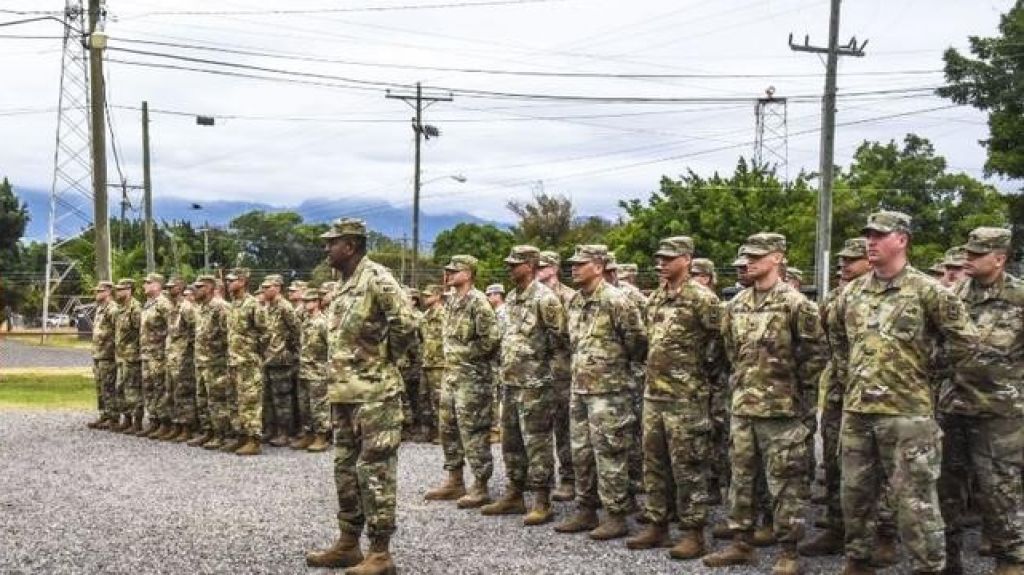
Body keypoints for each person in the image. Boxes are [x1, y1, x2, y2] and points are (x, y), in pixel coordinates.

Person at [829, 211, 979, 574]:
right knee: (855, 494)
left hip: (907, 412)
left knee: (915, 502)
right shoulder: (853, 291)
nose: (871, 242)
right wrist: (852, 374)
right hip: (859, 410)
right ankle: (858, 560)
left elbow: (966, 341)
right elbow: (835, 335)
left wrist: (926, 370)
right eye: (869, 235)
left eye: (880, 235)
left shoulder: (927, 290)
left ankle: (928, 567)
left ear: (902, 240)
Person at [704, 233, 826, 575]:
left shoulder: (797, 304)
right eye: (746, 256)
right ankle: (741, 543)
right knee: (741, 478)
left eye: (757, 256)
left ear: (777, 258)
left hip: (782, 411)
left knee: (786, 483)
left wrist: (796, 397)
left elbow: (816, 356)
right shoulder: (736, 304)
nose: (749, 261)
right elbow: (731, 353)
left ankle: (788, 552)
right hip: (743, 406)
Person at [306, 218, 417, 574]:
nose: (327, 248)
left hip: (375, 395)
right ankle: (348, 543)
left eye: (332, 243)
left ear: (350, 246)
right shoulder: (343, 284)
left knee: (375, 472)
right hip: (344, 393)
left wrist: (387, 360)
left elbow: (407, 324)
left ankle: (380, 552)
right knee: (345, 470)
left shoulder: (378, 278)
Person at [625, 236, 722, 560]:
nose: (661, 263)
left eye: (668, 258)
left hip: (686, 398)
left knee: (688, 466)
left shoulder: (702, 299)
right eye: (659, 258)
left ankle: (693, 532)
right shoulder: (656, 298)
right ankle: (657, 524)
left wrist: (701, 376)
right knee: (654, 464)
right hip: (655, 395)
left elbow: (720, 343)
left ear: (687, 259)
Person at [938, 227, 1023, 574]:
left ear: (999, 258)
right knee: (947, 491)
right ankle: (949, 561)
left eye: (976, 255)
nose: (967, 259)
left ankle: (1010, 560)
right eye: (967, 253)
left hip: (999, 414)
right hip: (954, 408)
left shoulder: (1019, 298)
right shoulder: (952, 295)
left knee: (1000, 491)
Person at [554, 244, 647, 541]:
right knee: (581, 452)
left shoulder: (617, 301)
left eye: (581, 263)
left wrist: (614, 370)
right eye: (573, 263)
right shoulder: (576, 302)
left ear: (598, 266)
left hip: (610, 391)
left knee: (610, 452)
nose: (574, 268)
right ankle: (586, 509)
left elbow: (638, 344)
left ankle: (616, 514)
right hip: (580, 388)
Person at [480, 245, 567, 526]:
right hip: (510, 383)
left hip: (536, 385)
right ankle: (514, 493)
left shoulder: (545, 299)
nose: (510, 268)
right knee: (511, 442)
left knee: (537, 443)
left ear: (530, 265)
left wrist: (548, 379)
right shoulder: (512, 301)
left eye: (515, 264)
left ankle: (542, 500)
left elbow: (562, 344)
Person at [424, 255, 501, 507]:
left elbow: (490, 339)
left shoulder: (478, 302)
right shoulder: (451, 302)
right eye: (448, 270)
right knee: (448, 429)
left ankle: (480, 484)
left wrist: (465, 355)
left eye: (454, 271)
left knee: (473, 432)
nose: (448, 274)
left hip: (473, 378)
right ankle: (454, 480)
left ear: (468, 274)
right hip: (451, 376)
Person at [537, 250, 577, 502]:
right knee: (538, 429)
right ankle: (540, 479)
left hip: (563, 372)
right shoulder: (532, 296)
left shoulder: (570, 297)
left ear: (553, 268)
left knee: (565, 428)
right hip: (537, 372)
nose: (537, 271)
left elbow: (572, 336)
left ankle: (569, 479)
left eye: (542, 267)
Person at [258, 273, 300, 448]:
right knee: (268, 397)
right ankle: (271, 429)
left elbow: (297, 330)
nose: (264, 290)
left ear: (277, 287)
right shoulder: (268, 306)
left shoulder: (285, 307)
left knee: (282, 398)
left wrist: (288, 351)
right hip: (268, 358)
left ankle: (285, 432)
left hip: (281, 359)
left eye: (268, 287)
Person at [189, 275, 231, 449]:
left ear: (208, 288)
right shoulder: (200, 308)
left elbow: (228, 335)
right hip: (201, 361)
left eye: (199, 287)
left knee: (217, 400)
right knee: (203, 399)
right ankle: (208, 431)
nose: (195, 290)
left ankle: (222, 434)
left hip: (216, 363)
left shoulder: (220, 307)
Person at [226, 267, 263, 456]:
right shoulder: (232, 304)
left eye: (232, 280)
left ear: (242, 281)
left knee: (250, 401)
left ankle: (254, 440)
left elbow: (265, 332)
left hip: (248, 361)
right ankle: (241, 436)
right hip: (234, 360)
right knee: (235, 401)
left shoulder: (253, 304)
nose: (228, 283)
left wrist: (256, 354)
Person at [293, 288, 331, 452]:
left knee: (319, 406)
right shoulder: (306, 321)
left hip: (318, 372)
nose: (305, 304)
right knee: (304, 406)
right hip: (304, 370)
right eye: (304, 301)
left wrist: (329, 369)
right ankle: (308, 434)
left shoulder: (323, 323)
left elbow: (332, 347)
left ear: (317, 302)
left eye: (309, 301)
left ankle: (321, 437)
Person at [139, 273, 174, 438]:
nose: (144, 285)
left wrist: (167, 352)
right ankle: (153, 420)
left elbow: (172, 329)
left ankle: (164, 422)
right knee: (149, 389)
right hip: (147, 354)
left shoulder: (163, 304)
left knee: (160, 389)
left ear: (157, 285)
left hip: (159, 354)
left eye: (148, 282)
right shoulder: (147, 304)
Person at [165, 276, 199, 442]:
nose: (169, 289)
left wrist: (187, 351)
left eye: (172, 287)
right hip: (172, 357)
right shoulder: (173, 307)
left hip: (183, 358)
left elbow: (195, 330)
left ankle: (187, 428)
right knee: (172, 392)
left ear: (180, 287)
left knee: (184, 394)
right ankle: (176, 425)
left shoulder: (186, 308)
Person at [112, 278, 143, 433]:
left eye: (120, 289)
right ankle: (127, 418)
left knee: (133, 389)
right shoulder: (120, 309)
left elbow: (140, 333)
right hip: (121, 355)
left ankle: (136, 421)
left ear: (129, 290)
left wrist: (137, 352)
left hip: (132, 356)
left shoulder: (135, 309)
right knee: (121, 388)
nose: (117, 292)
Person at [87, 280, 118, 430]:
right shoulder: (100, 309)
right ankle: (104, 415)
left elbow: (117, 332)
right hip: (99, 354)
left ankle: (113, 416)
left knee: (109, 386)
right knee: (100, 386)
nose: (96, 294)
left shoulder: (112, 309)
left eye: (99, 291)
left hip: (108, 354)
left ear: (108, 292)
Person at [418, 284, 446, 443]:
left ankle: (442, 433)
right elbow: (422, 339)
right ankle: (428, 431)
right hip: (427, 362)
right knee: (424, 398)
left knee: (439, 399)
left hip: (440, 364)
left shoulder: (444, 315)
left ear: (437, 296)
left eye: (428, 295)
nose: (425, 298)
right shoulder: (425, 317)